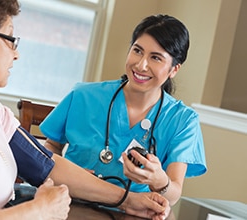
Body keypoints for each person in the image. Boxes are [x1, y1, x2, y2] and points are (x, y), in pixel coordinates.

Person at [0, 1, 170, 219]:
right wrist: (39, 212)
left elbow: (41, 162)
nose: (16, 54)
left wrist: (127, 200)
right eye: (10, 40)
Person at [40, 14, 207, 206]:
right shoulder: (83, 95)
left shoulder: (183, 120)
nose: (141, 65)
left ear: (174, 69)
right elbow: (51, 146)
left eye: (155, 58)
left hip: (133, 212)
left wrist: (159, 180)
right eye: (137, 51)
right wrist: (65, 176)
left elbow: (173, 194)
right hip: (70, 204)